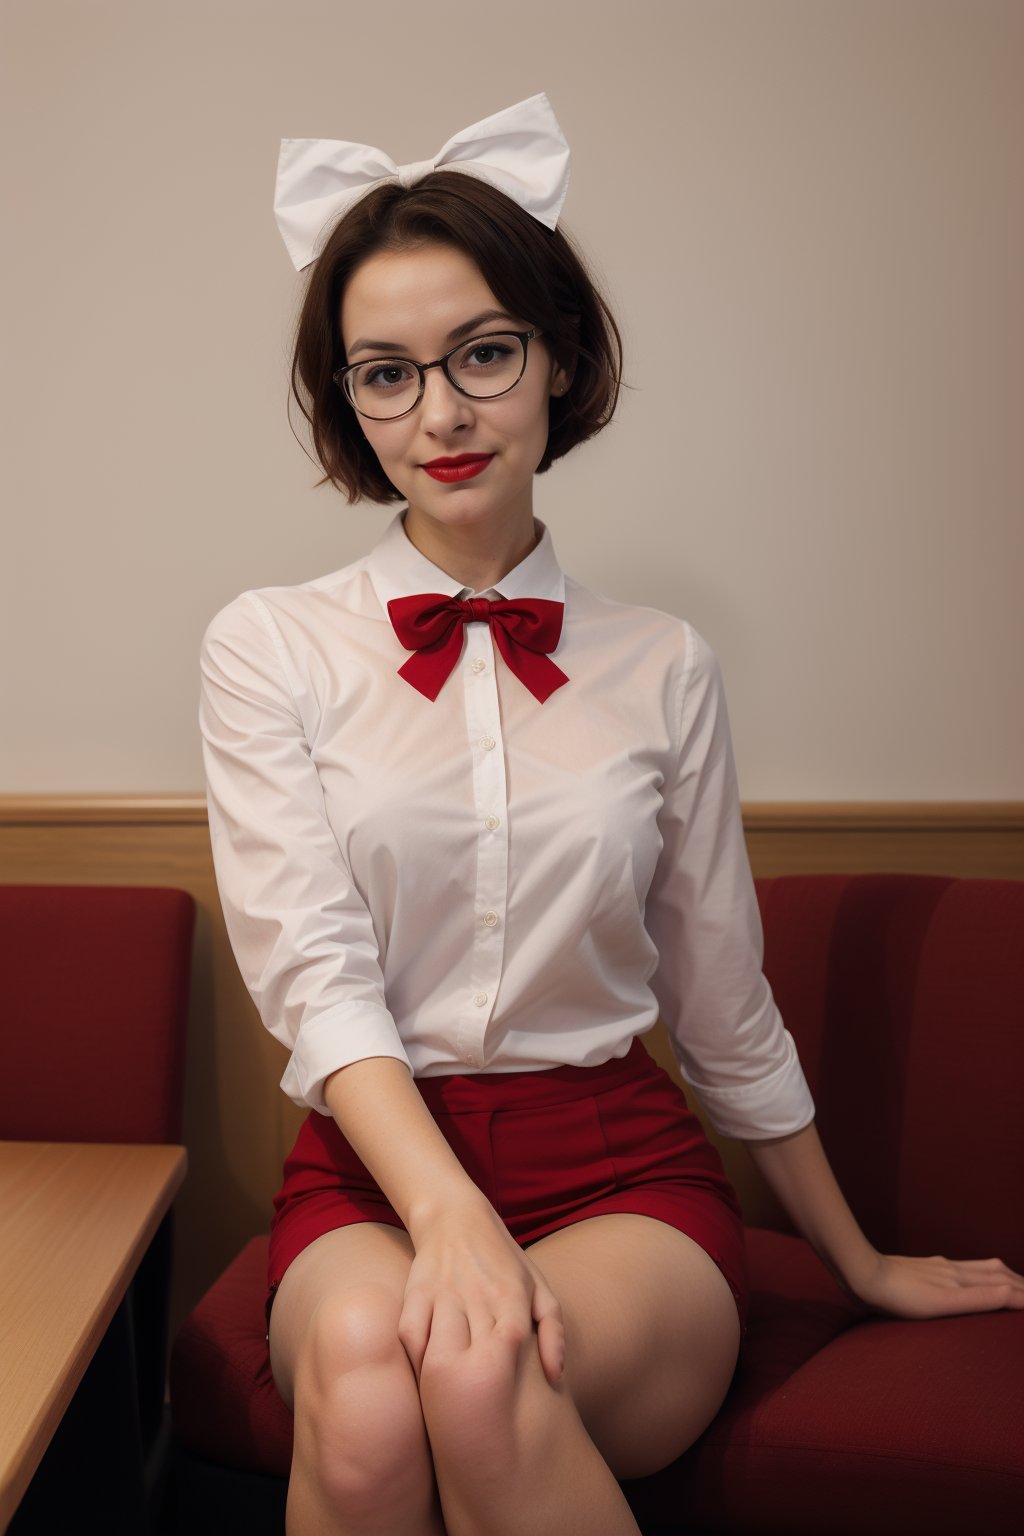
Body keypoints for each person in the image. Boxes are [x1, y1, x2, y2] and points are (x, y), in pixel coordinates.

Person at [200, 94, 1023, 1536]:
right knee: (371, 1373)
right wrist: (446, 1214)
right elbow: (314, 979)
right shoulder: (267, 646)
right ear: (346, 400)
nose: (440, 414)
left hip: (619, 1173)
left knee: (472, 1374)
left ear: (557, 357)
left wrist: (858, 1260)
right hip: (373, 1173)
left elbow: (721, 1000)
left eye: (484, 355)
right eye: (384, 375)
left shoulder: (666, 662)